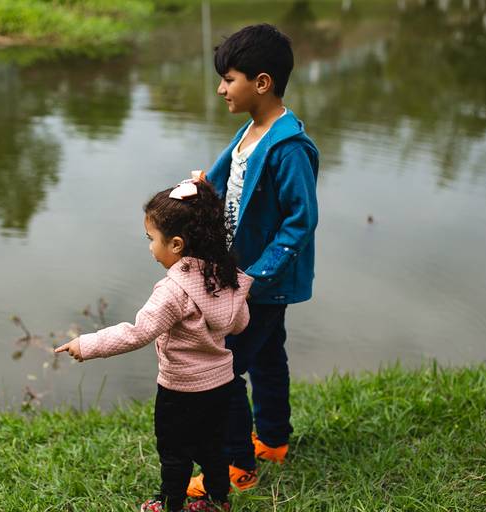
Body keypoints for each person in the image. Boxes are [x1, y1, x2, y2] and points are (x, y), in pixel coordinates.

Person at [55, 172, 253, 512]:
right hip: (221, 384)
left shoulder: (173, 290)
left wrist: (87, 345)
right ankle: (217, 501)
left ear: (176, 244)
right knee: (212, 446)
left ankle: (171, 505)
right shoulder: (224, 276)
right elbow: (240, 323)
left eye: (151, 239)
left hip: (181, 390)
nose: (149, 247)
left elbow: (138, 332)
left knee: (175, 451)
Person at [187, 24, 319, 497]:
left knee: (222, 368)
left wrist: (254, 276)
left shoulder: (289, 148)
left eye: (229, 79)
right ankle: (274, 440)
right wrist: (202, 189)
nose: (221, 89)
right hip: (242, 275)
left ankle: (237, 465)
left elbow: (301, 222)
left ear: (262, 83)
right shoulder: (251, 130)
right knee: (265, 357)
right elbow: (227, 181)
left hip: (262, 281)